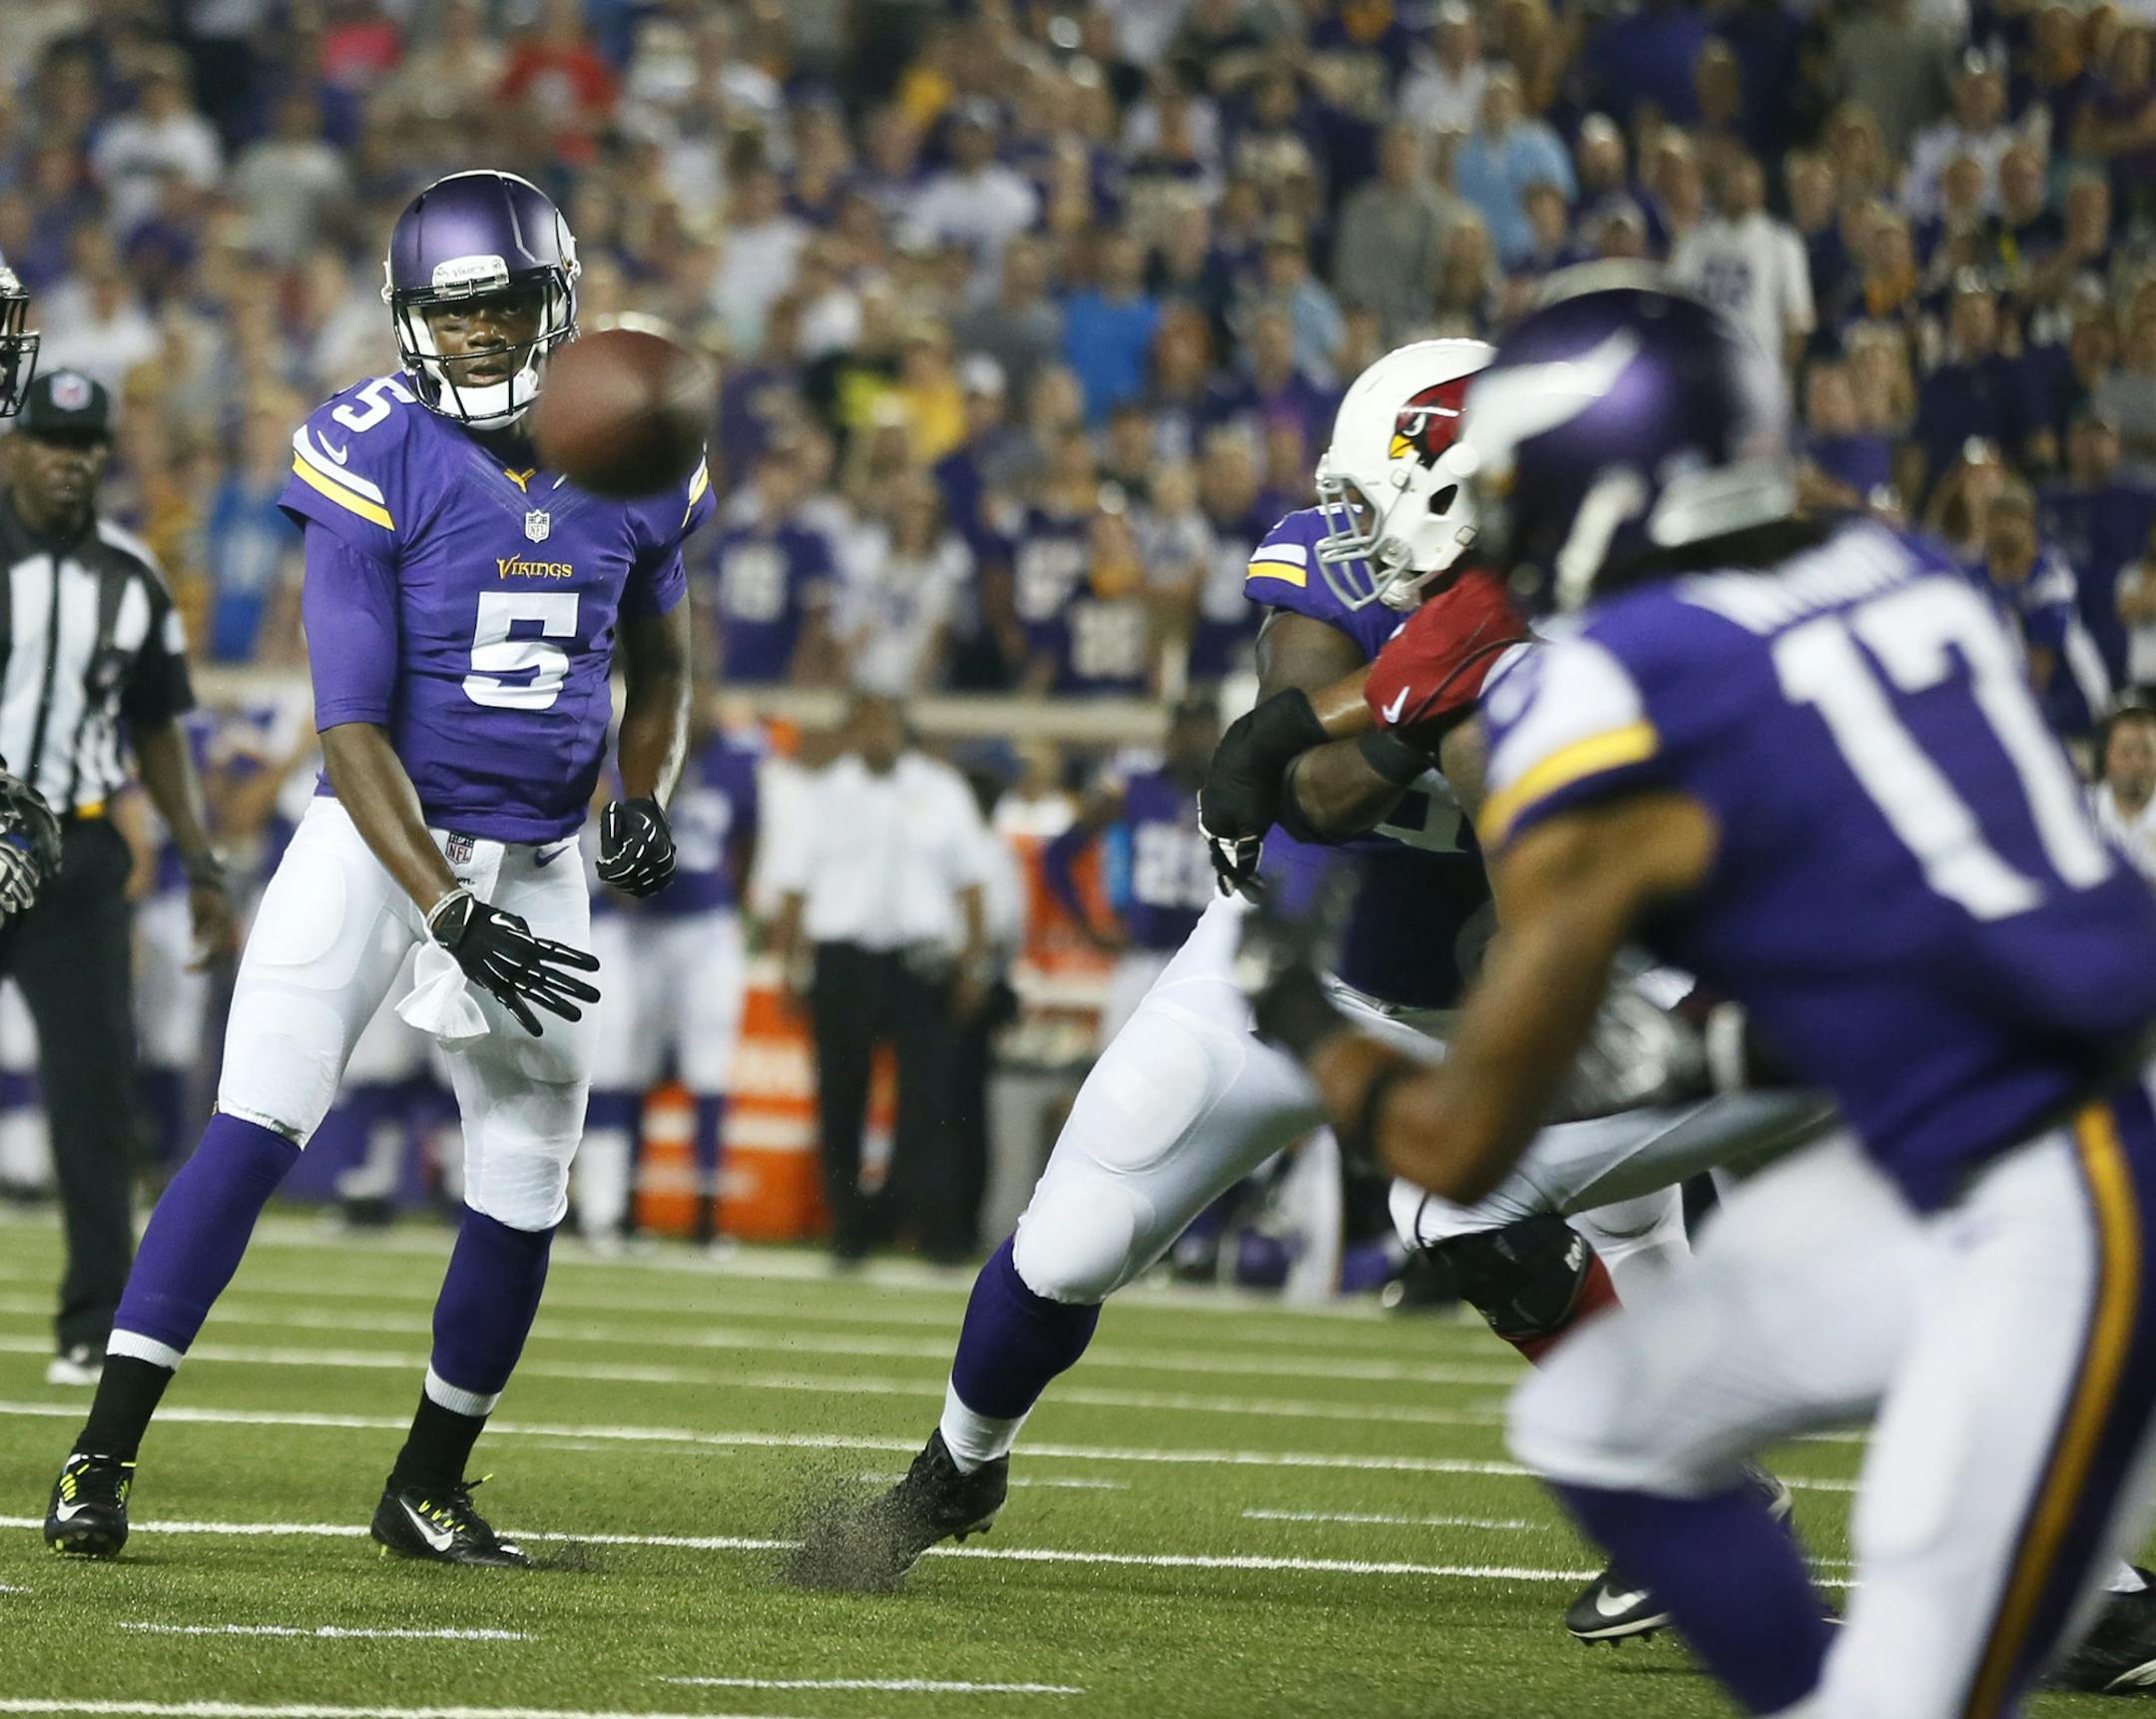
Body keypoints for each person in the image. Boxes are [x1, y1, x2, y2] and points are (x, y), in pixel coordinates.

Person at [796, 341, 1825, 1643]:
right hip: (1297, 975)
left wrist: (1453, 717)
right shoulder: (1343, 574)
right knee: (1071, 1242)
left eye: (1365, 497)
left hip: (1540, 983)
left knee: (1631, 1240)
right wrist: (1413, 713)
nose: (1344, 525)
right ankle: (957, 1466)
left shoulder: (1602, 602)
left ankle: (1705, 1511)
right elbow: (1312, 787)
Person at [1242, 282, 2156, 1716]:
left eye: (1524, 469)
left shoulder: (1614, 683)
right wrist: (1735, 1036)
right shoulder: (1898, 568)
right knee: (1601, 1415)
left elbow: (1458, 1138)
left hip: (2036, 1196)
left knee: (1477, 1218)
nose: (1507, 508)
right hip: (2047, 1112)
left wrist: (1302, 1021)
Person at [43, 171, 713, 1566]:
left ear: (558, 298)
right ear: (413, 320)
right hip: (380, 837)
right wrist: (443, 904)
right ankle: (99, 1454)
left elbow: (663, 659)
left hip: (531, 859)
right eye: (449, 314)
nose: (476, 336)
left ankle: (427, 1482)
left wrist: (644, 787)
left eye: (502, 307)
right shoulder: (370, 445)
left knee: (529, 1172)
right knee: (258, 1116)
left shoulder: (640, 441)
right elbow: (347, 724)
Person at [0, 366, 236, 1386]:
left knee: (95, 1097)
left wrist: (201, 861)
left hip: (78, 856)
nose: (70, 461)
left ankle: (94, 1319)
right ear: (16, 447)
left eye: (86, 445)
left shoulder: (134, 574)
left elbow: (156, 726)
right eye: (52, 441)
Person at [767, 692, 993, 1265]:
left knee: (926, 1102)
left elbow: (971, 886)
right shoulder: (822, 796)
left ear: (902, 729)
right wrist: (787, 967)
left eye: (887, 725)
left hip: (919, 962)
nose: (878, 737)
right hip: (842, 960)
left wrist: (973, 964)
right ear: (851, 732)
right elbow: (792, 890)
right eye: (867, 726)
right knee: (841, 1098)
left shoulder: (940, 791)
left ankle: (914, 1219)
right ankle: (849, 1227)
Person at [577, 713, 760, 1247]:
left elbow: (750, 836)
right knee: (610, 1065)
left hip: (666, 928)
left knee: (666, 1064)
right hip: (614, 926)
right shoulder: (615, 754)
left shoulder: (735, 757)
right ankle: (605, 1208)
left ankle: (641, 1212)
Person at [1041, 698, 1221, 1044]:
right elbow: (1058, 855)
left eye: (1206, 732)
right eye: (1190, 732)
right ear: (1172, 737)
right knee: (1116, 1081)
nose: (1198, 743)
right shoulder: (1137, 790)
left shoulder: (1236, 794)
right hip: (1145, 961)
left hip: (1211, 967)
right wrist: (1087, 927)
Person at [2093, 703, 2156, 879]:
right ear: (2106, 755)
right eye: (2126, 752)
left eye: (2148, 752)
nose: (2137, 764)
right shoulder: (2077, 812)